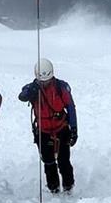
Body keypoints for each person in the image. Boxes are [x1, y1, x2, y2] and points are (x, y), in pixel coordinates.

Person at [18, 58, 77, 194]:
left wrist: (74, 129)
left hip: (61, 128)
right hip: (43, 131)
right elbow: (22, 96)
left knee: (64, 160)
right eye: (42, 81)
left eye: (47, 80)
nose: (44, 83)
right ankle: (53, 187)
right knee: (48, 161)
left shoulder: (61, 87)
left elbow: (71, 108)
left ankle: (68, 186)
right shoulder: (32, 88)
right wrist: (31, 91)